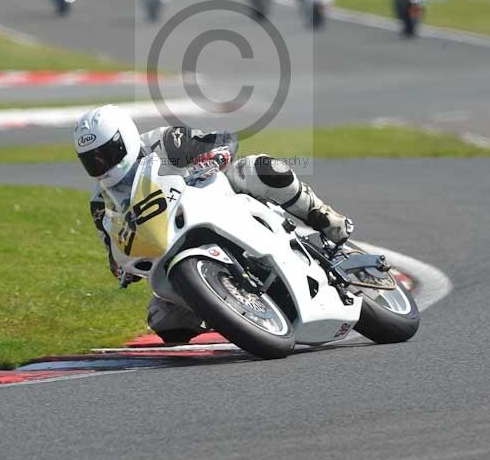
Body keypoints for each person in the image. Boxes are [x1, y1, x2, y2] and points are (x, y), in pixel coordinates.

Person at [73, 105, 354, 343]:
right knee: (166, 323)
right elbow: (111, 243)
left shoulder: (165, 142)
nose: (102, 165)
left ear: (126, 139)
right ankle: (229, 309)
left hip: (214, 201)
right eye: (92, 161)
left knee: (261, 168)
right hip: (170, 249)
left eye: (107, 153)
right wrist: (120, 266)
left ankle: (324, 218)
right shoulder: (101, 201)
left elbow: (223, 138)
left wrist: (216, 155)